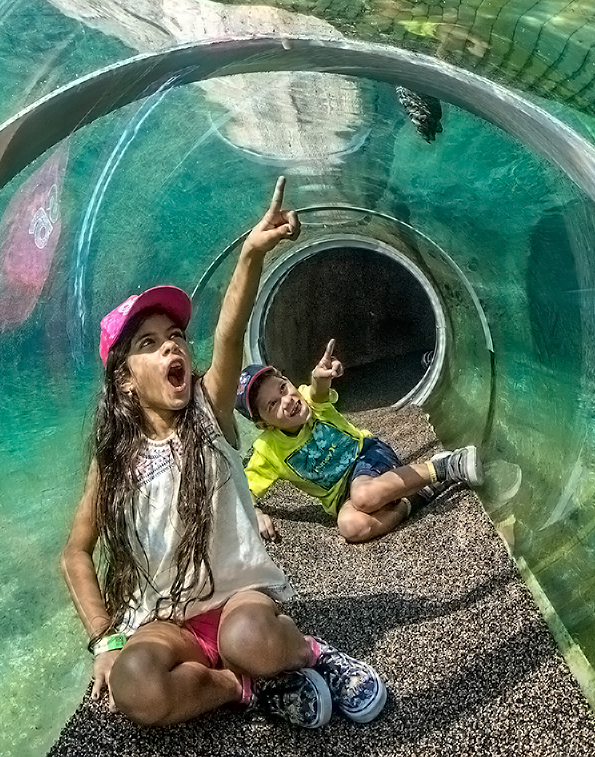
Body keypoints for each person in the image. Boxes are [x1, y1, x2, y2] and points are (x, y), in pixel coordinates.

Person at [60, 177, 388, 730]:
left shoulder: (210, 414)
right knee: (134, 686)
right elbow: (75, 553)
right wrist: (105, 640)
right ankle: (242, 688)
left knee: (250, 638)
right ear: (124, 383)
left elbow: (231, 325)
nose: (172, 346)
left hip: (238, 601)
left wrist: (252, 253)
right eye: (149, 343)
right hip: (167, 622)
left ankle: (310, 654)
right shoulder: (113, 460)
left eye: (176, 337)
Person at [237, 339, 483, 544]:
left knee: (364, 495)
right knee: (351, 527)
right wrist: (255, 513)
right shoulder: (267, 450)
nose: (287, 400)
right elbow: (243, 488)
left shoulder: (311, 402)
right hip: (342, 496)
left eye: (282, 388)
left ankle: (446, 466)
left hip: (367, 456)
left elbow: (318, 390)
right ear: (263, 424)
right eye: (272, 405)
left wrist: (320, 376)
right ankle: (417, 497)